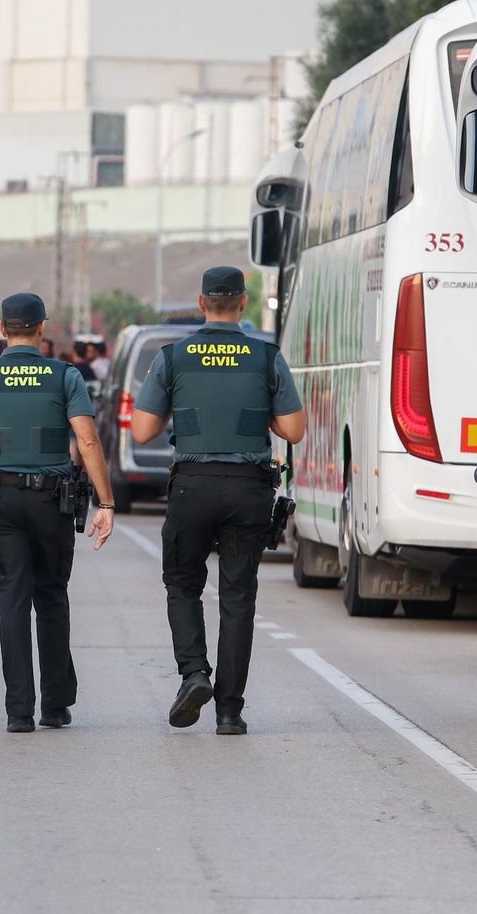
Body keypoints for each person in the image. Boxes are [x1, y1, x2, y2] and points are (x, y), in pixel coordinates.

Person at [130, 267, 306, 736]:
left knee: (183, 584)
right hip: (249, 490)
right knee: (238, 598)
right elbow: (294, 430)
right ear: (243, 303)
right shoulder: (266, 357)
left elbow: (142, 431)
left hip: (193, 486)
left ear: (201, 302)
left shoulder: (173, 357)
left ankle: (194, 674)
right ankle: (229, 712)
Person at [0, 293, 115, 733]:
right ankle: (55, 705)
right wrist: (105, 502)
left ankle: (18, 711)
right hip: (52, 501)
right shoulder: (65, 376)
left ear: (2, 329)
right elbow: (87, 441)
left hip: (0, 499)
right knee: (51, 596)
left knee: (12, 600)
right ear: (42, 328)